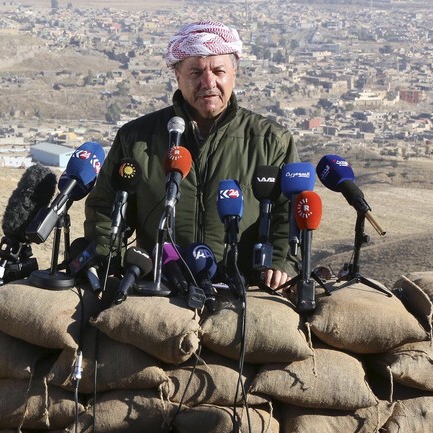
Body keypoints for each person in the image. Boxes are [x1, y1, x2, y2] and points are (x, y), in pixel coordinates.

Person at [84, 20, 298, 291]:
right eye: (195, 72)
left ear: (235, 73)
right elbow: (106, 208)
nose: (208, 82)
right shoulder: (136, 138)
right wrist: (109, 263)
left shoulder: (270, 141)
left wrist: (280, 261)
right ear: (177, 75)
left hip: (244, 290)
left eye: (218, 71)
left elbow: (289, 211)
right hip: (159, 288)